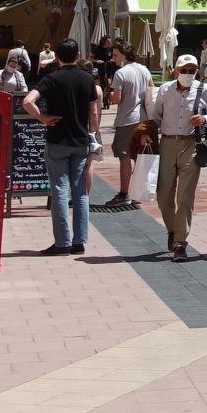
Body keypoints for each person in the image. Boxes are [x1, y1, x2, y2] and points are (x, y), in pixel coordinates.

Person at [22, 39, 100, 257]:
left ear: (57, 57)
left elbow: (28, 101)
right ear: (78, 55)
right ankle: (79, 241)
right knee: (81, 192)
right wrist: (92, 134)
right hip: (80, 140)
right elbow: (93, 113)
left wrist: (42, 118)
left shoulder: (52, 79)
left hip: (57, 140)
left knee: (59, 191)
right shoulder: (87, 79)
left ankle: (62, 242)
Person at [153, 53, 207, 260]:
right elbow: (156, 116)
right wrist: (146, 134)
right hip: (167, 143)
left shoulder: (204, 89)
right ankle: (172, 230)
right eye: (184, 70)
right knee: (163, 194)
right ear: (176, 71)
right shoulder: (165, 89)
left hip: (191, 143)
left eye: (191, 71)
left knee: (185, 196)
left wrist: (204, 119)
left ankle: (180, 243)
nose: (187, 74)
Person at [105, 42, 154, 207]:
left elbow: (116, 99)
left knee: (124, 158)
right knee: (139, 157)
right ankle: (139, 191)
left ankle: (124, 193)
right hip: (143, 119)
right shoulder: (144, 70)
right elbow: (151, 91)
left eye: (115, 55)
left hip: (126, 120)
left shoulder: (121, 73)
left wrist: (110, 95)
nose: (113, 58)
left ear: (124, 55)